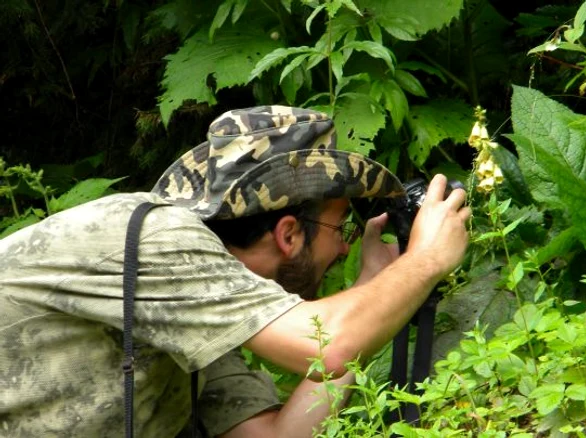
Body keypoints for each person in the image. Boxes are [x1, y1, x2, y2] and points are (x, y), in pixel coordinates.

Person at [0, 106, 471, 437]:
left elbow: (276, 436)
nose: (347, 243)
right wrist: (424, 261)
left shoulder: (195, 302)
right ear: (289, 234)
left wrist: (374, 289)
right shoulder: (158, 241)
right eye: (341, 224)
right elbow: (327, 345)